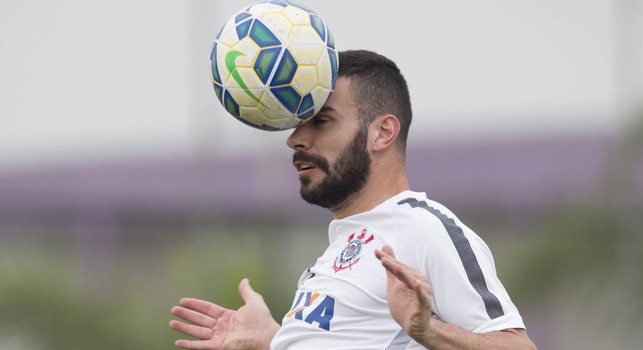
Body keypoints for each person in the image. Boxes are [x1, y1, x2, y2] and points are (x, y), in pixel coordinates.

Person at [169, 49, 537, 350]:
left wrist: (428, 331)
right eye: (299, 124)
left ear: (382, 133)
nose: (294, 139)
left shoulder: (423, 228)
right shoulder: (338, 249)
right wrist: (274, 340)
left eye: (322, 121)